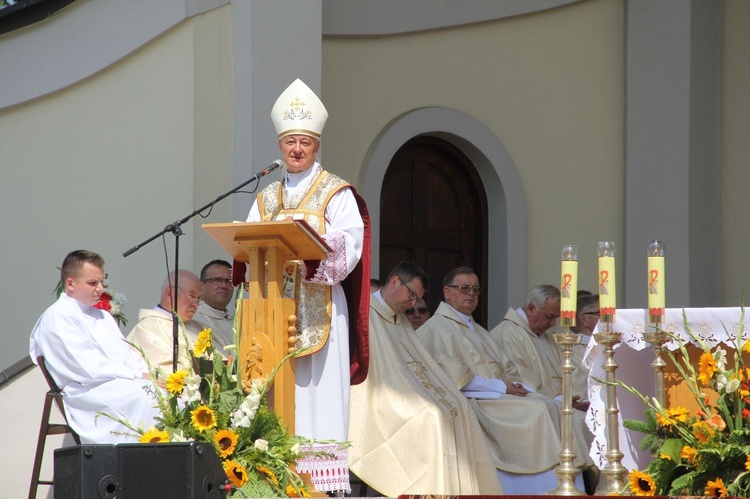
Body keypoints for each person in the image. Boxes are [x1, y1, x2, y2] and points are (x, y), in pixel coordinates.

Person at [238, 78, 371, 494]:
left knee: (317, 398)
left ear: (316, 146)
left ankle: (321, 487)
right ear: (280, 145)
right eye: (289, 141)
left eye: (305, 142)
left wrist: (306, 247)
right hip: (271, 313)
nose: (296, 149)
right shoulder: (266, 197)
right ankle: (275, 479)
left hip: (319, 312)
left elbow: (349, 246)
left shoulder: (335, 192)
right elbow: (243, 245)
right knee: (276, 397)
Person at [418, 267, 591, 493]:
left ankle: (566, 483)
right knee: (539, 410)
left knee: (554, 408)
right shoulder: (436, 328)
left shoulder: (478, 329)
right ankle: (539, 487)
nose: (470, 294)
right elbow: (452, 377)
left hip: (500, 397)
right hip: (475, 402)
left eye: (475, 290)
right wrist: (502, 387)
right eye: (463, 289)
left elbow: (509, 370)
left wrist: (553, 397)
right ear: (447, 292)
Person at [349, 262, 503, 495]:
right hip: (375, 394)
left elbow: (420, 365)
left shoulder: (399, 319)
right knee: (431, 416)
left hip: (402, 393)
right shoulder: (365, 314)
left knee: (458, 405)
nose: (413, 304)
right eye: (411, 295)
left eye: (418, 299)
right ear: (394, 282)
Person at [29, 250, 160, 443]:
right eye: (92, 283)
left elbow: (128, 354)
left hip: (116, 384)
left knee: (167, 394)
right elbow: (87, 367)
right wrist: (138, 376)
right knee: (148, 399)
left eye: (101, 282)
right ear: (71, 283)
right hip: (86, 394)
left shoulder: (103, 316)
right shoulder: (58, 317)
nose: (100, 288)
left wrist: (149, 375)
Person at [126, 269, 203, 371]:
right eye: (192, 296)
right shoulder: (148, 328)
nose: (196, 304)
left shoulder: (196, 327)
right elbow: (164, 373)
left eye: (199, 298)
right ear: (170, 293)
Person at [192, 259, 235, 358]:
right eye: (217, 280)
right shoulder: (193, 318)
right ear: (201, 285)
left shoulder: (237, 322)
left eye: (228, 281)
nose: (224, 286)